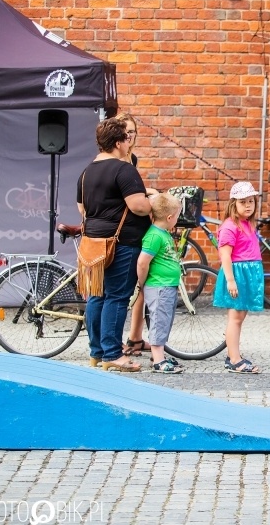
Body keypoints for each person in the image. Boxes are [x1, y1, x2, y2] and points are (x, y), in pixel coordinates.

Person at [77, 117, 152, 372]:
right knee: (117, 298)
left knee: (98, 296)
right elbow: (137, 205)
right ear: (119, 142)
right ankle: (112, 354)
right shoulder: (123, 169)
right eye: (126, 138)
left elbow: (82, 208)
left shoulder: (87, 172)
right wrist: (154, 200)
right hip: (122, 242)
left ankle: (97, 352)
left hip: (94, 243)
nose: (128, 142)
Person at [213, 182, 263, 374]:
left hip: (248, 273)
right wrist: (231, 280)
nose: (248, 205)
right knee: (235, 318)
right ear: (234, 204)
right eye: (243, 202)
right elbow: (225, 255)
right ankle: (234, 359)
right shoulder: (230, 226)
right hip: (237, 274)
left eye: (251, 201)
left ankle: (232, 354)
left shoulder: (247, 223)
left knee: (239, 317)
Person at [116, 111, 154, 358]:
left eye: (133, 132)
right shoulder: (115, 160)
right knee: (119, 292)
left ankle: (135, 337)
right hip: (121, 230)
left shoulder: (132, 159)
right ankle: (114, 342)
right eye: (125, 132)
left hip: (136, 227)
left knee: (141, 284)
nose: (129, 137)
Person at [134, 193, 185, 374]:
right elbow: (142, 262)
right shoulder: (154, 236)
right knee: (159, 320)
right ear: (169, 217)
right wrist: (141, 282)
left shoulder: (163, 234)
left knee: (165, 320)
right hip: (159, 286)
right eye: (177, 216)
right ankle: (158, 361)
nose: (177, 220)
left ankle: (159, 355)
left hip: (167, 285)